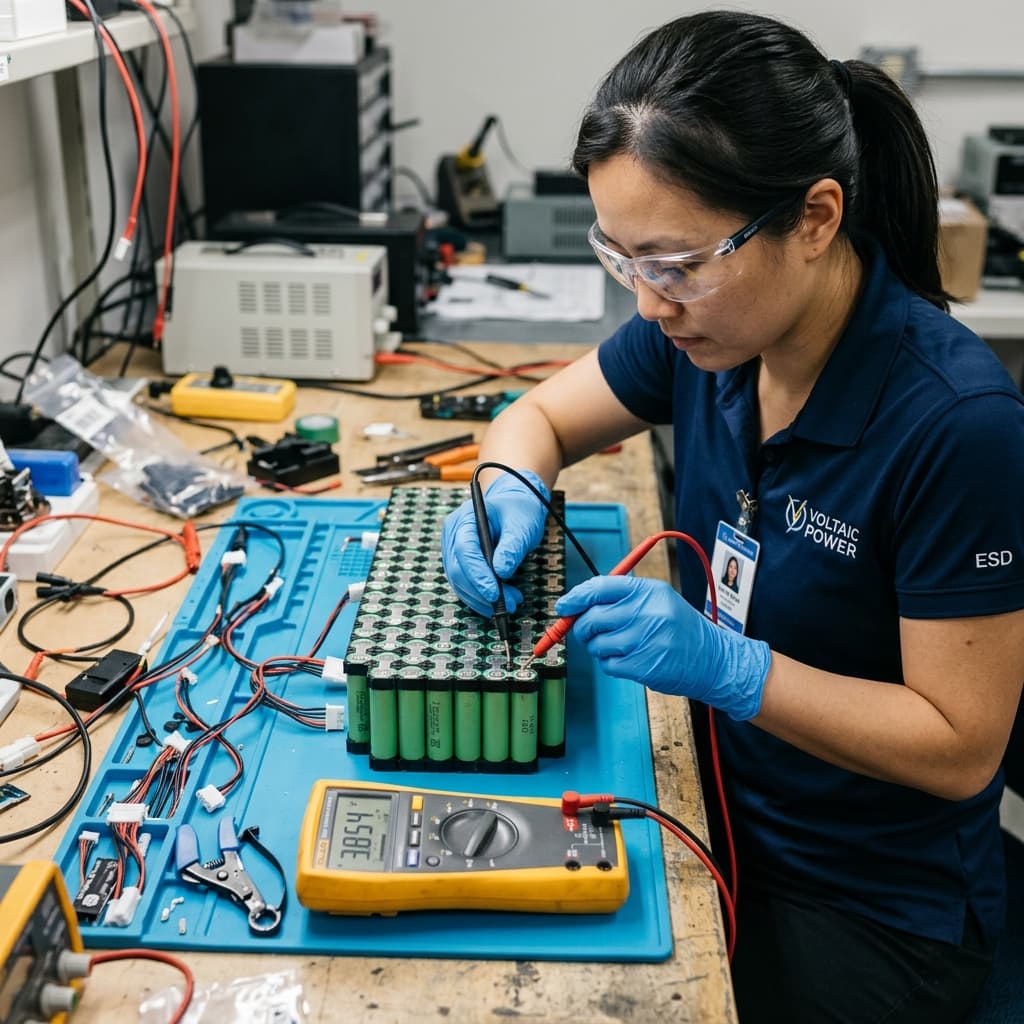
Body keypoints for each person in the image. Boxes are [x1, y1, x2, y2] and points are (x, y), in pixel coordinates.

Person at [441, 10, 1024, 1023]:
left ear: (814, 218)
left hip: (868, 901)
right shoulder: (707, 335)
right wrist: (509, 489)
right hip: (710, 796)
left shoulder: (955, 423)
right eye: (623, 258)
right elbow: (537, 417)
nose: (649, 302)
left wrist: (730, 668)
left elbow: (961, 743)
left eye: (675, 262)